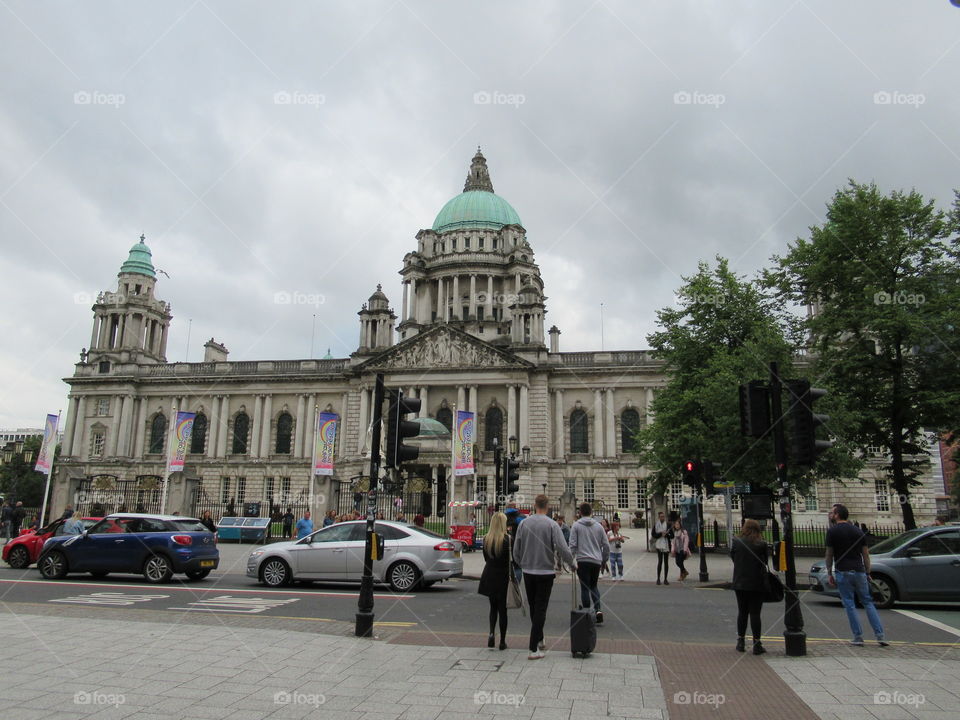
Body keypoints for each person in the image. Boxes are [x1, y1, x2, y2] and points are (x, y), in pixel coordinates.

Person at [513, 494, 575, 660]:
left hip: (528, 572)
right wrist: (572, 563)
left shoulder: (524, 523)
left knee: (534, 607)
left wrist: (521, 562)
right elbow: (563, 548)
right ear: (547, 507)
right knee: (540, 609)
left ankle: (539, 639)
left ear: (534, 505)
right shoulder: (552, 524)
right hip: (546, 572)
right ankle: (533, 648)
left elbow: (516, 549)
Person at [825, 503, 887, 647]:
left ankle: (858, 637)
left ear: (837, 515)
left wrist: (829, 572)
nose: (831, 515)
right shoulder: (858, 532)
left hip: (843, 571)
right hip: (859, 571)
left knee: (849, 604)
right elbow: (866, 555)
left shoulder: (832, 532)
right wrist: (868, 572)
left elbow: (829, 554)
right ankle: (880, 635)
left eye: (832, 513)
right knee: (868, 603)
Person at [730, 519, 769, 655]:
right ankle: (757, 644)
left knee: (742, 612)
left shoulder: (737, 542)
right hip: (756, 583)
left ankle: (740, 641)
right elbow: (765, 562)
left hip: (740, 582)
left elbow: (733, 558)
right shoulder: (762, 544)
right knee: (755, 613)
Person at [569, 502, 610, 624]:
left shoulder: (576, 526)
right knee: (594, 586)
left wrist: (571, 561)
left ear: (580, 512)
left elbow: (572, 546)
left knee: (585, 588)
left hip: (582, 560)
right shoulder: (598, 526)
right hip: (596, 561)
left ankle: (586, 612)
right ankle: (598, 610)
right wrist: (604, 559)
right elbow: (606, 545)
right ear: (591, 512)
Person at [478, 511, 512, 651]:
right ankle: (502, 641)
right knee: (503, 610)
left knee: (493, 608)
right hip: (502, 576)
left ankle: (491, 634)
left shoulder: (486, 538)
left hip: (489, 574)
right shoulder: (508, 539)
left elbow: (486, 558)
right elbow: (512, 559)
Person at [653, 511, 671, 585]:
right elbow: (653, 534)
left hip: (666, 544)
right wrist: (661, 534)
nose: (662, 518)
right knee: (660, 561)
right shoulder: (656, 525)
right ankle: (658, 578)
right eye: (661, 516)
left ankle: (665, 579)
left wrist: (667, 535)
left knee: (666, 562)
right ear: (659, 517)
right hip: (659, 544)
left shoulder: (668, 525)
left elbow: (672, 535)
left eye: (663, 516)